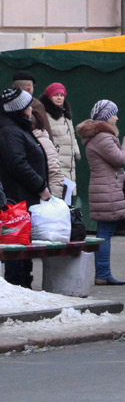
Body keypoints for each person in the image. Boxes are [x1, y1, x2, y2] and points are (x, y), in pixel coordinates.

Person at [78, 99, 125, 286]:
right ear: (106, 117)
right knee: (104, 234)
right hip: (106, 190)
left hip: (104, 188)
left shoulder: (98, 136)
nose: (117, 118)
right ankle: (103, 273)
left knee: (105, 233)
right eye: (114, 114)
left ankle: (104, 272)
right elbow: (120, 159)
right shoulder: (102, 137)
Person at [0, 87, 51, 287]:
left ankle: (24, 287)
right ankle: (18, 287)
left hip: (22, 200)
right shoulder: (10, 131)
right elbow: (17, 164)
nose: (32, 109)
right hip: (16, 202)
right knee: (16, 248)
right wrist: (41, 186)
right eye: (28, 105)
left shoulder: (16, 128)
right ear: (20, 109)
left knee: (22, 248)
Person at [40, 82, 81, 190]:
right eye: (56, 95)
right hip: (56, 162)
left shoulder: (67, 116)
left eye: (61, 95)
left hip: (70, 164)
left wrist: (76, 151)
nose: (59, 98)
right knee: (58, 191)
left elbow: (72, 136)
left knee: (69, 194)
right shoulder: (45, 115)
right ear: (49, 97)